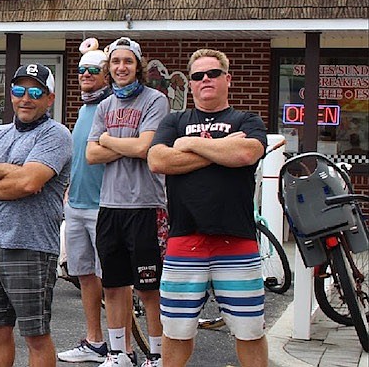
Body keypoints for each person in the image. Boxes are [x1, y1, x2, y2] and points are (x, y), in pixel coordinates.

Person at [147, 49, 268, 367]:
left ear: (227, 78)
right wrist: (223, 148)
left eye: (212, 73)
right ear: (191, 83)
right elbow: (158, 160)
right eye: (197, 76)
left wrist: (188, 145)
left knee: (250, 330)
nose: (205, 80)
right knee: (176, 331)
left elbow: (246, 154)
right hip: (185, 240)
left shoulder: (246, 120)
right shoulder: (174, 121)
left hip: (238, 240)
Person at [0, 63, 72, 367]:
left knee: (35, 335)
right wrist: (9, 171)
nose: (26, 98)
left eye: (36, 91)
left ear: (50, 98)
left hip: (32, 248)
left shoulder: (56, 135)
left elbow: (28, 182)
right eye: (19, 90)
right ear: (11, 94)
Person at [86, 37, 169, 367]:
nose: (121, 67)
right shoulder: (105, 106)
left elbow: (144, 148)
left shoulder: (155, 100)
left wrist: (108, 139)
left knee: (149, 288)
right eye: (116, 62)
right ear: (109, 68)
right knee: (114, 285)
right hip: (110, 206)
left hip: (146, 206)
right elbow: (91, 154)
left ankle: (159, 354)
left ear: (138, 67)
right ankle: (121, 352)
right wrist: (124, 143)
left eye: (128, 61)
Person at [58, 39, 113, 364]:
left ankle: (123, 345)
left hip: (104, 205)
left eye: (94, 70)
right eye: (82, 70)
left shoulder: (113, 107)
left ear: (107, 75)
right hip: (76, 205)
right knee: (85, 276)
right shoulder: (83, 108)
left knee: (114, 280)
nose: (86, 75)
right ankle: (95, 341)